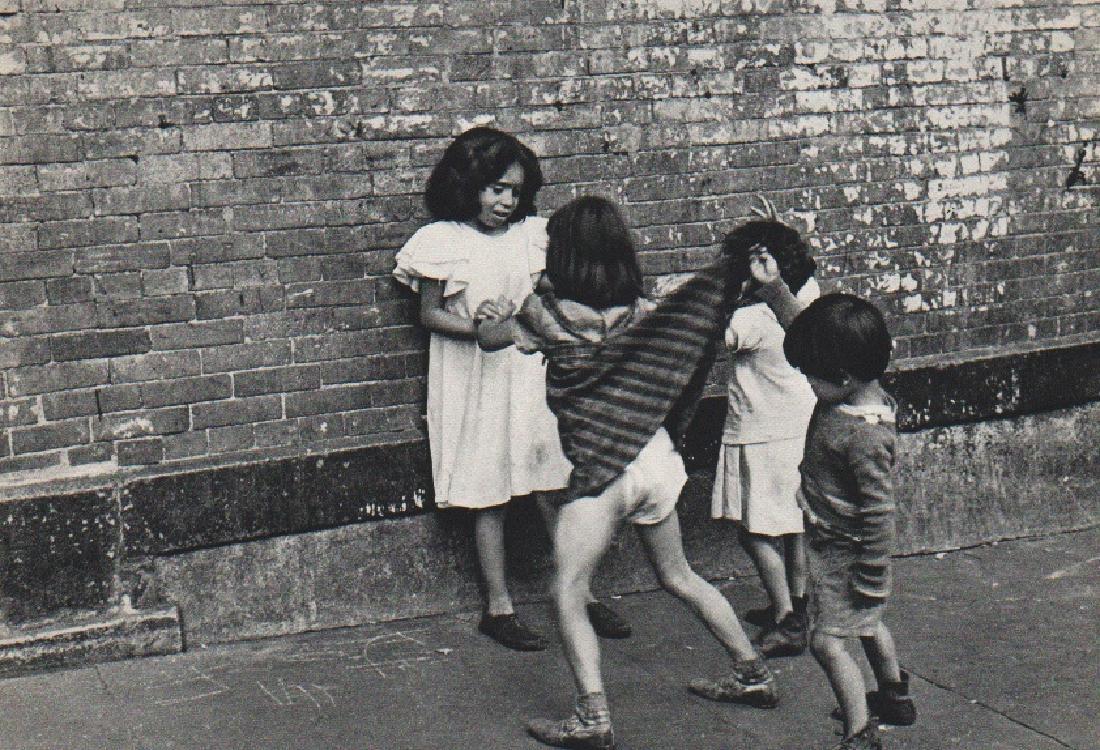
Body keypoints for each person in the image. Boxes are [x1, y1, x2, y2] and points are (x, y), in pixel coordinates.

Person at [478, 196, 777, 750]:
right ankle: (752, 673)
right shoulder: (646, 314)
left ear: (562, 254)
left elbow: (491, 339)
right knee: (680, 575)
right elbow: (697, 320)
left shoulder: (544, 313)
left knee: (567, 590)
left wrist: (491, 318)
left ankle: (592, 717)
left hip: (603, 474)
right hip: (655, 460)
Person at [393, 127, 629, 652]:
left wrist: (531, 318)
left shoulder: (531, 237)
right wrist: (482, 327)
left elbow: (548, 293)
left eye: (515, 192)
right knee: (489, 489)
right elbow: (429, 314)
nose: (505, 201)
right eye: (495, 189)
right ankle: (498, 606)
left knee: (553, 481)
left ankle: (580, 592)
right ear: (467, 186)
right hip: (476, 377)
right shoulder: (443, 241)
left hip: (527, 372)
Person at [774, 290, 916, 750]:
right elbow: (808, 332)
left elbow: (880, 513)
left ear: (844, 375)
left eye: (811, 376)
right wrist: (775, 290)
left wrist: (872, 576)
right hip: (839, 542)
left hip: (847, 553)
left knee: (826, 642)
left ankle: (860, 732)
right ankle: (893, 696)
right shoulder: (851, 392)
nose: (807, 382)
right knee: (869, 622)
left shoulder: (864, 437)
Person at [711, 221, 820, 657]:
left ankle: (785, 618)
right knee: (794, 527)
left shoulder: (750, 319)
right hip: (799, 430)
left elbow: (713, 336)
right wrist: (787, 235)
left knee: (754, 533)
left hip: (760, 435)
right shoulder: (807, 296)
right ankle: (799, 605)